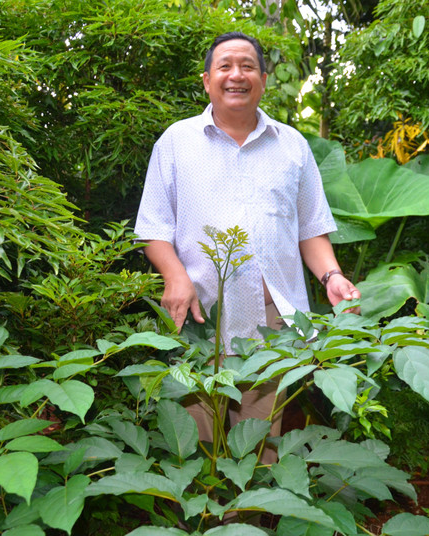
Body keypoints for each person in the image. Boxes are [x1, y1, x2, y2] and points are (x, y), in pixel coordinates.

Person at [134, 31, 360, 463]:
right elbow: (154, 228)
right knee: (197, 446)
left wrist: (331, 275)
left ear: (263, 78)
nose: (236, 75)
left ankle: (248, 526)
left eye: (247, 66)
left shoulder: (292, 145)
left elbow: (310, 228)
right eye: (225, 66)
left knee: (258, 448)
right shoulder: (176, 142)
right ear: (206, 80)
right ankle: (201, 526)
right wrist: (175, 276)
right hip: (200, 313)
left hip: (271, 320)